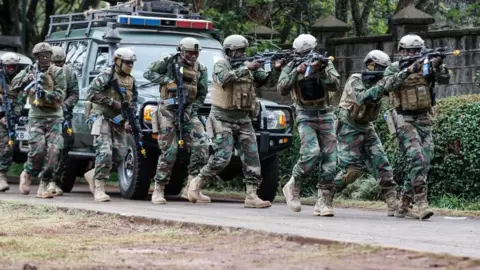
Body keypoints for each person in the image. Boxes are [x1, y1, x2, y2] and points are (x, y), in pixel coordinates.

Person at [187, 34, 272, 208]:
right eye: (238, 51)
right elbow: (223, 79)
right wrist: (246, 68)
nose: (242, 54)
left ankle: (251, 195)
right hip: (221, 118)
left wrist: (270, 66)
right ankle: (196, 183)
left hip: (243, 119)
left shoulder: (247, 66)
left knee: (252, 157)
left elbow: (263, 80)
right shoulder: (221, 65)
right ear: (229, 52)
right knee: (222, 158)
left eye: (243, 51)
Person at [384, 34, 451, 220]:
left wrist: (438, 65)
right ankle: (422, 203)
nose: (413, 53)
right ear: (402, 51)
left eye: (416, 50)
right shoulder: (394, 68)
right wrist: (409, 69)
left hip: (423, 119)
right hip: (403, 118)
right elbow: (387, 86)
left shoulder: (427, 66)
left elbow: (445, 79)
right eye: (409, 50)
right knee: (417, 159)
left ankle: (404, 204)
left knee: (424, 162)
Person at [277, 34, 340, 216]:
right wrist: (297, 71)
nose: (307, 55)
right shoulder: (291, 65)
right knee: (311, 153)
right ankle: (293, 184)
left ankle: (323, 201)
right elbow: (282, 89)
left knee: (331, 159)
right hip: (304, 114)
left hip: (326, 113)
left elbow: (335, 85)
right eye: (303, 53)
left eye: (309, 52)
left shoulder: (325, 63)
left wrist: (320, 71)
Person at [143, 37, 209, 204]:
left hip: (187, 112)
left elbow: (202, 93)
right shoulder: (169, 61)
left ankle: (192, 188)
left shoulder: (201, 68)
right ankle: (158, 189)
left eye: (196, 53)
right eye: (190, 52)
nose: (193, 56)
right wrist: (167, 81)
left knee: (202, 145)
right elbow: (148, 73)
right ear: (182, 51)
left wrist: (192, 111)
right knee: (170, 151)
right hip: (167, 111)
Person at [334, 49, 398, 216]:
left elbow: (394, 86)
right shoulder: (355, 79)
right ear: (370, 65)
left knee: (382, 164)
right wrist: (383, 84)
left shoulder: (380, 82)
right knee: (352, 170)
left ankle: (393, 203)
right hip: (349, 126)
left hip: (366, 126)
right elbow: (362, 98)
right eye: (378, 67)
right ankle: (325, 193)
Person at [10, 42, 66, 198]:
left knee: (54, 152)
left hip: (55, 117)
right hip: (36, 117)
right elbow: (12, 88)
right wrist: (26, 80)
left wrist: (43, 94)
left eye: (47, 55)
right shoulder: (30, 71)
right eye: (41, 56)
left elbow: (60, 95)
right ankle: (27, 172)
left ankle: (44, 184)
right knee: (37, 150)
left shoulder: (58, 72)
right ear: (36, 57)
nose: (45, 58)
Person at [84, 47, 138, 202]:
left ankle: (93, 174)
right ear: (118, 61)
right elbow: (91, 93)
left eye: (132, 63)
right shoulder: (107, 75)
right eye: (127, 62)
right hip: (101, 117)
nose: (130, 65)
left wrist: (128, 119)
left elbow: (132, 102)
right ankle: (99, 187)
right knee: (105, 152)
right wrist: (111, 102)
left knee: (120, 155)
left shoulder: (131, 80)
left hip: (117, 120)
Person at [50, 46, 79, 196]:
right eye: (55, 63)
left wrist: (65, 105)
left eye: (60, 63)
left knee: (63, 148)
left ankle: (55, 181)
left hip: (64, 117)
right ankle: (44, 179)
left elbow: (74, 93)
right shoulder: (43, 74)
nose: (57, 66)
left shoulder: (69, 72)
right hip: (46, 116)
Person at [0, 52, 22, 192]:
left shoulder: (18, 81)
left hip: (8, 118)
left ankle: (1, 175)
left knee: (7, 147)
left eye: (13, 66)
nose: (11, 69)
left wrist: (12, 116)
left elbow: (20, 102)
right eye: (8, 66)